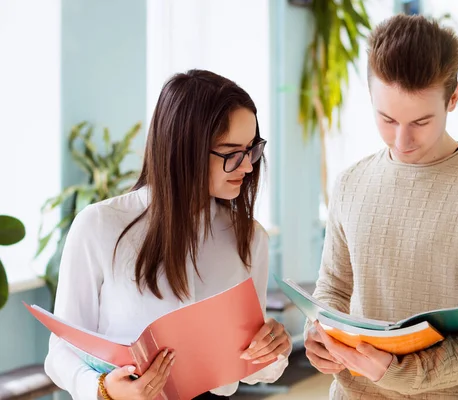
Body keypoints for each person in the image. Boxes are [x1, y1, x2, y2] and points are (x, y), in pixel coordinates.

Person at [304, 13, 458, 400]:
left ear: (453, 97)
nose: (402, 140)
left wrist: (405, 372)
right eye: (387, 118)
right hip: (353, 393)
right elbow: (335, 288)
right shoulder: (350, 183)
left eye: (421, 121)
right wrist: (321, 337)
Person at [44, 69, 291, 400]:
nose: (247, 167)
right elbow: (60, 352)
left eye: (251, 149)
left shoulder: (250, 238)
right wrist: (104, 390)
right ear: (184, 149)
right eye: (232, 153)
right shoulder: (100, 226)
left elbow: (252, 365)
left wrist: (273, 349)